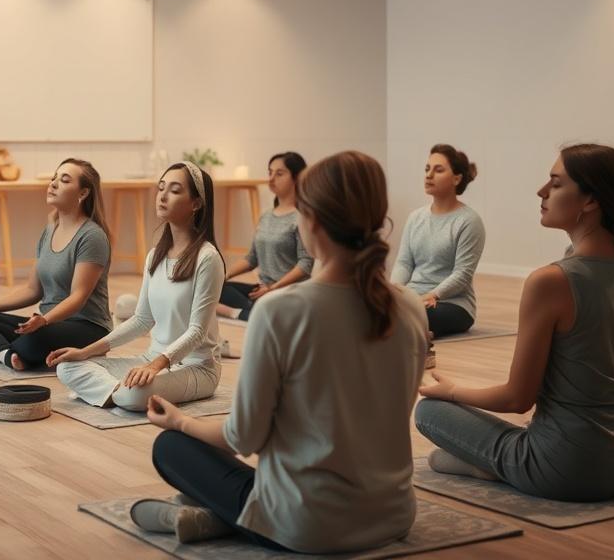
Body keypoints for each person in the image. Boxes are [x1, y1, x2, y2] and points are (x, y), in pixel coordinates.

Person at [131, 152, 428, 553]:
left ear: (312, 220)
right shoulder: (410, 305)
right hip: (393, 517)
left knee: (171, 448)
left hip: (308, 526)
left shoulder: (280, 311)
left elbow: (243, 437)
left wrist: (180, 422)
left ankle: (208, 518)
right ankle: (215, 516)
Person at [416, 144, 614, 502]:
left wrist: (452, 390)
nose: (541, 191)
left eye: (555, 183)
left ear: (590, 201)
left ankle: (497, 466)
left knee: (429, 411)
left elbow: (518, 398)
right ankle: (500, 462)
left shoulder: (550, 281)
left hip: (568, 469)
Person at [50, 162, 224, 411]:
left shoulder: (208, 258)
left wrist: (155, 367)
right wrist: (85, 352)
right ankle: (119, 392)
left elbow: (197, 331)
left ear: (196, 203)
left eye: (174, 190)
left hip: (196, 367)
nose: (162, 196)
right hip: (152, 358)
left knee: (132, 396)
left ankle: (119, 392)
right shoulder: (155, 256)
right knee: (67, 367)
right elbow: (142, 320)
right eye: (161, 188)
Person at [0, 158, 112, 370]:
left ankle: (11, 350)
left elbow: (78, 297)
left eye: (64, 180)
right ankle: (9, 356)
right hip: (45, 323)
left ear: (83, 193)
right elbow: (32, 290)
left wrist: (44, 321)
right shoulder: (49, 231)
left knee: (32, 341)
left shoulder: (92, 237)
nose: (53, 183)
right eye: (54, 177)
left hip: (86, 328)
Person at [392, 144, 485, 367]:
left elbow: (462, 274)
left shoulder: (468, 221)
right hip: (414, 299)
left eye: (438, 170)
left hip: (452, 304)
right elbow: (404, 261)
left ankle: (421, 346)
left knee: (403, 315)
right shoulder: (416, 217)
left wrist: (432, 294)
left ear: (456, 179)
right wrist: (393, 289)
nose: (429, 175)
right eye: (427, 169)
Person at [216, 152, 312, 321]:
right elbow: (252, 258)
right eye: (270, 172)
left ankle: (245, 313)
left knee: (260, 307)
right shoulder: (266, 216)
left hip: (288, 292)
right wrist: (224, 274)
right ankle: (252, 314)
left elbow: (306, 264)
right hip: (263, 290)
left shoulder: (302, 217)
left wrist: (273, 288)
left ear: (297, 178)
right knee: (215, 288)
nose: (272, 178)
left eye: (279, 173)